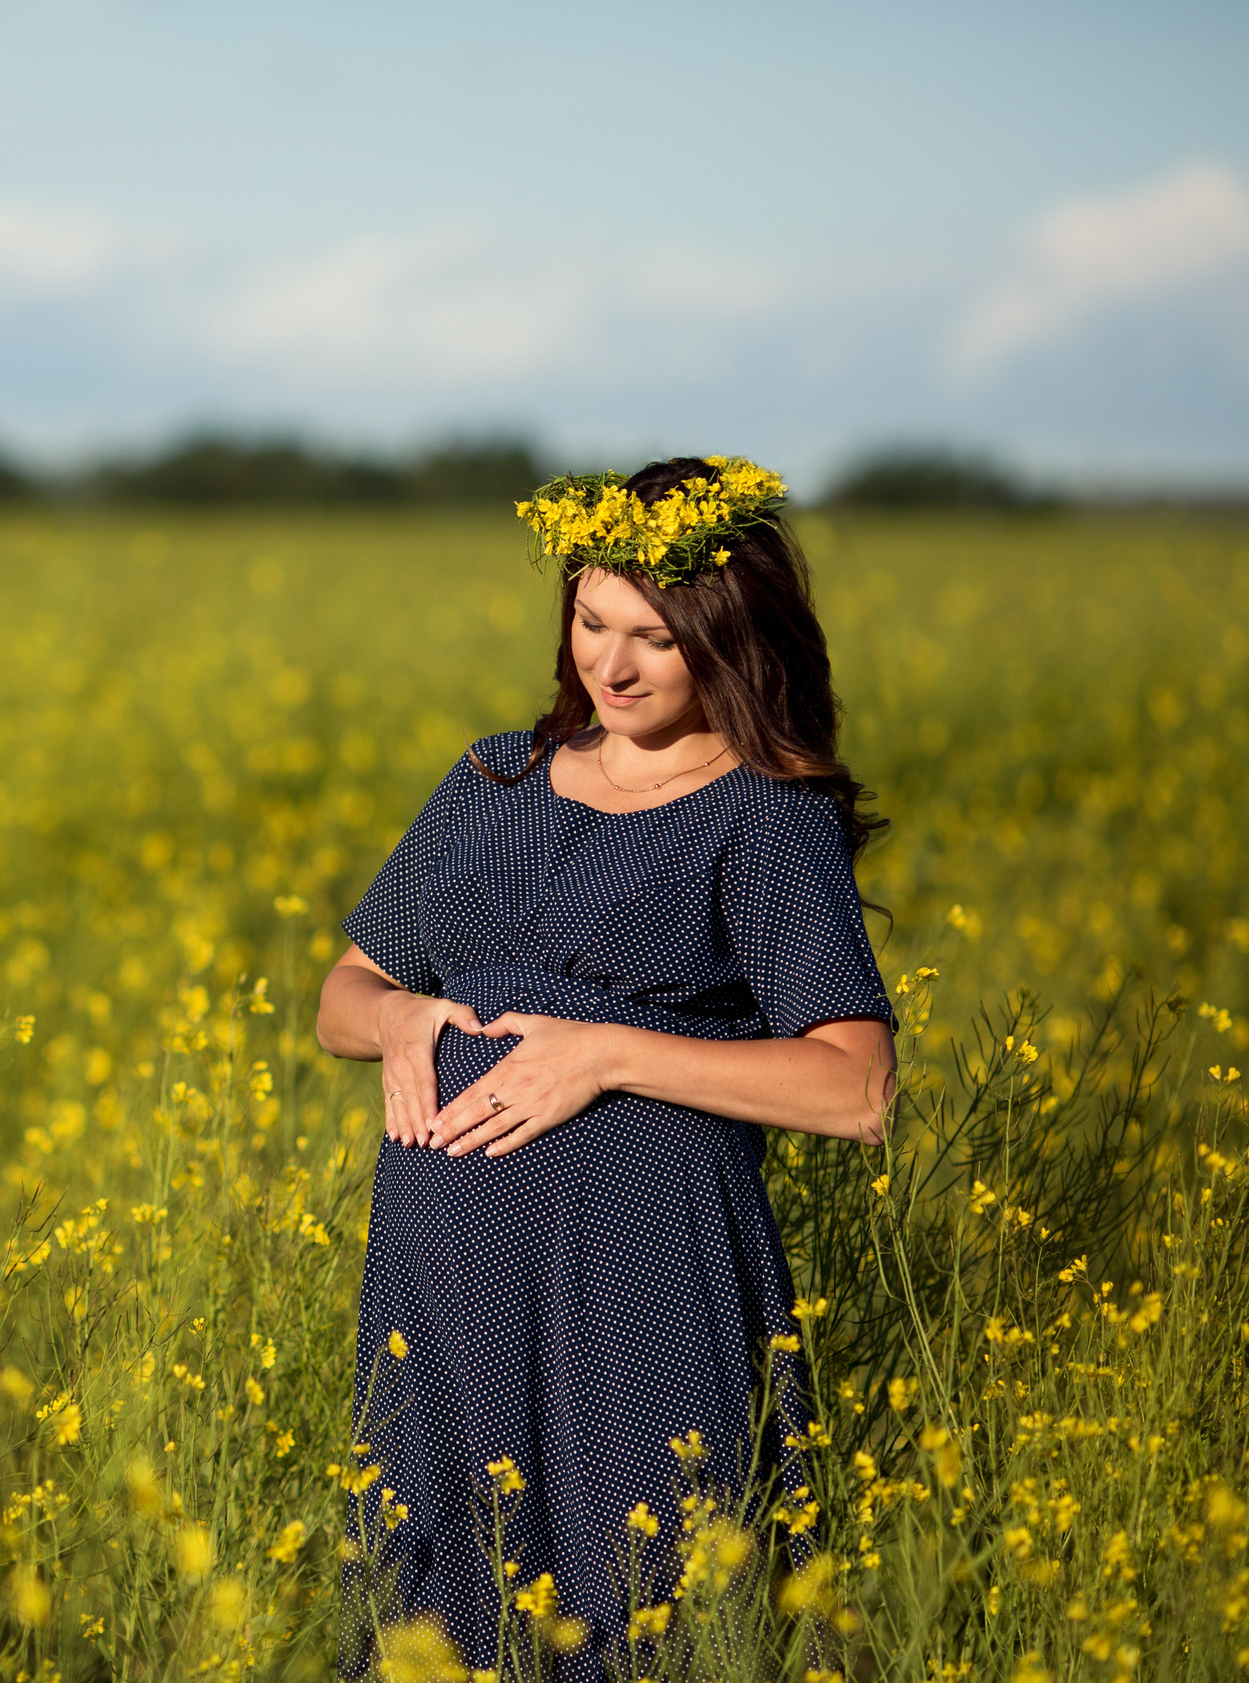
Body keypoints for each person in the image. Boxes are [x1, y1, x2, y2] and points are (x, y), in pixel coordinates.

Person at [315, 456, 896, 1673]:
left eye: (652, 637)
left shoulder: (760, 810)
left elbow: (854, 1090)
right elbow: (341, 996)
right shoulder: (493, 780)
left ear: (726, 643)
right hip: (446, 1287)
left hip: (638, 1278)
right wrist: (403, 1020)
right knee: (437, 1614)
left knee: (647, 1608)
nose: (610, 664)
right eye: (589, 622)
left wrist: (606, 1057)